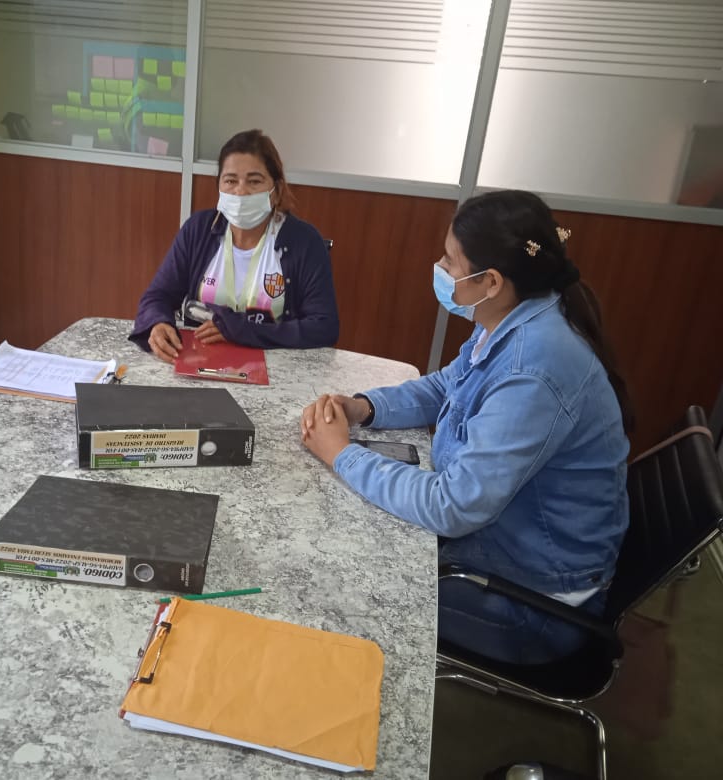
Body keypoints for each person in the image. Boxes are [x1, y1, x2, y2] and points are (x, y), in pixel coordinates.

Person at [300, 190, 634, 665]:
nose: (439, 267)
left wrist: (341, 454)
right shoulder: (515, 316)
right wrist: (364, 408)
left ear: (491, 281)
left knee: (340, 592)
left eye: (450, 261)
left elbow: (453, 505)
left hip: (535, 606)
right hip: (495, 550)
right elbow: (447, 386)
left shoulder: (533, 370)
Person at [129, 129, 338, 360]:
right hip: (199, 358)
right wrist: (157, 323)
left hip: (275, 366)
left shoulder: (304, 241)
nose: (240, 191)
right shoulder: (198, 230)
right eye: (230, 180)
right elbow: (157, 296)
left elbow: (324, 327)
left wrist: (243, 331)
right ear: (219, 186)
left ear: (276, 191)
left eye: (254, 181)